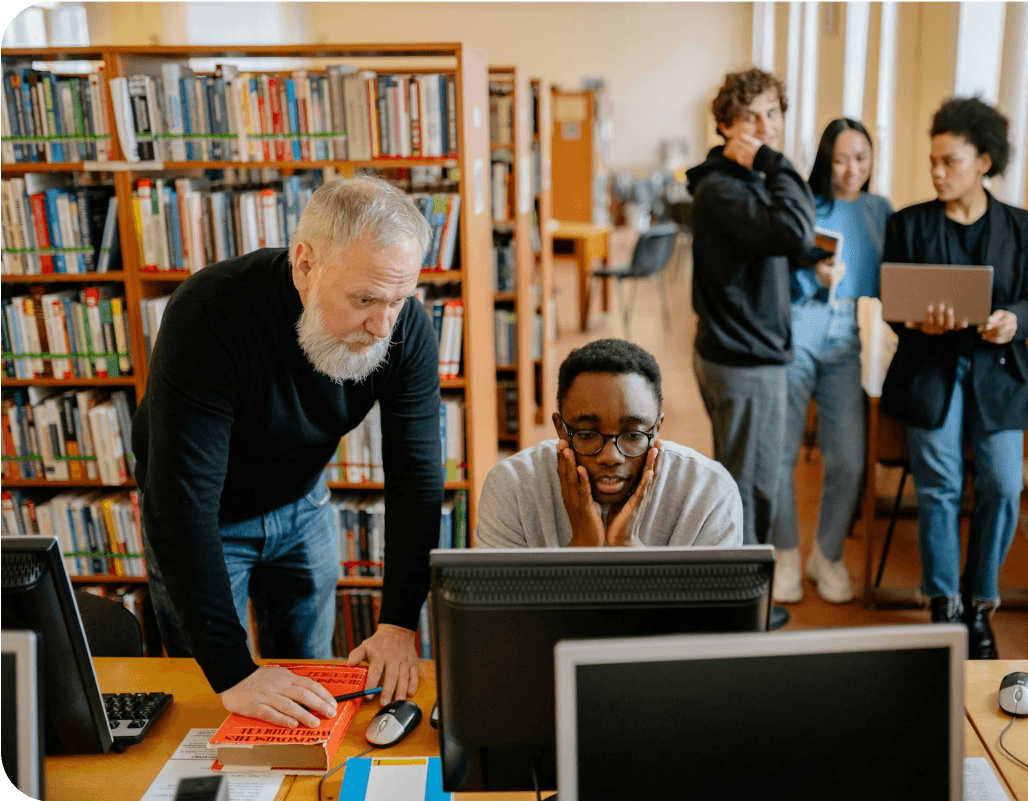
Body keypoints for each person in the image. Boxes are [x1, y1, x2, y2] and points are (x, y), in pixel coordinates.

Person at [132, 175, 444, 726]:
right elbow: (181, 502)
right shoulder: (210, 313)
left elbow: (416, 476)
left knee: (308, 684)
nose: (382, 326)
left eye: (399, 299)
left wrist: (398, 622)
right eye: (364, 298)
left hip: (303, 504)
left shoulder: (403, 328)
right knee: (212, 705)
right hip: (206, 521)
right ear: (305, 265)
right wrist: (233, 673)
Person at [881, 97, 1028, 659]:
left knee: (1003, 485)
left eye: (949, 161)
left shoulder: (1026, 228)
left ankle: (982, 603)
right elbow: (892, 307)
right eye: (932, 161)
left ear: (983, 161)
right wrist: (918, 323)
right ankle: (945, 605)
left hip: (997, 373)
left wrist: (1012, 321)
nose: (936, 172)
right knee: (940, 487)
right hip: (930, 371)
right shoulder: (907, 224)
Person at [687, 67, 816, 554]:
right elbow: (796, 231)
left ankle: (740, 603)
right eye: (751, 118)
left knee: (748, 479)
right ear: (725, 126)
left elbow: (776, 242)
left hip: (742, 351)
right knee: (749, 487)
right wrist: (775, 162)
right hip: (744, 360)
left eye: (773, 113)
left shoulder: (739, 182)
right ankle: (741, 608)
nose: (766, 127)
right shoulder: (725, 188)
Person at [775, 119, 893, 605]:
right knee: (780, 451)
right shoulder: (802, 201)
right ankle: (784, 552)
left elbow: (891, 276)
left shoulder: (879, 210)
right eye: (842, 158)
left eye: (861, 158)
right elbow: (775, 270)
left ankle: (827, 554)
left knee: (847, 456)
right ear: (826, 159)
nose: (852, 169)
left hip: (848, 335)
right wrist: (812, 274)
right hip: (797, 325)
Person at [476, 339, 742, 549]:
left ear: (657, 429)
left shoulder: (709, 492)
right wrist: (581, 548)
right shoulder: (511, 487)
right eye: (587, 434)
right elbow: (503, 618)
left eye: (634, 435)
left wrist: (628, 547)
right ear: (561, 429)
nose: (610, 457)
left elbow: (709, 619)